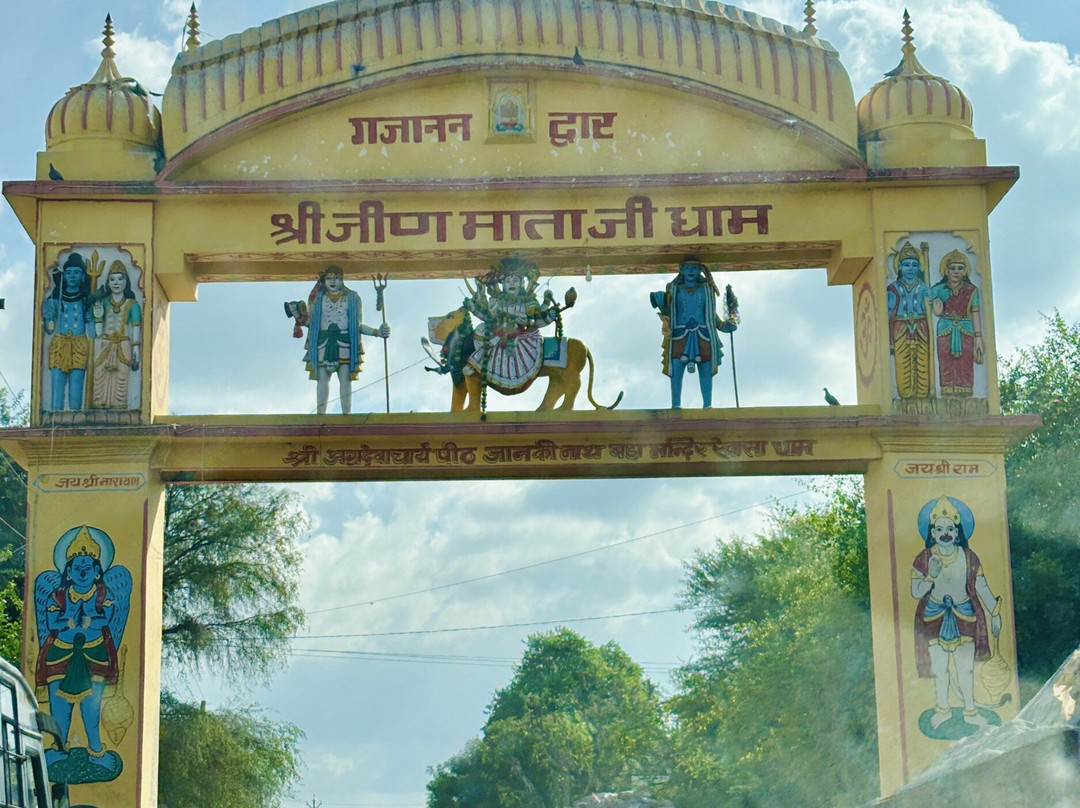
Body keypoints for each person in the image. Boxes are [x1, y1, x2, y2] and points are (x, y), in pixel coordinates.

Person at [34, 526, 130, 773]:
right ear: (68, 571)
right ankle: (58, 749)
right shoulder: (58, 594)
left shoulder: (103, 593)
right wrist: (81, 621)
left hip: (93, 654)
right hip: (60, 653)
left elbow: (105, 619)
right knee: (59, 707)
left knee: (91, 708)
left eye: (88, 567)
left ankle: (96, 751)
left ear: (98, 571)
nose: (83, 572)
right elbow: (51, 622)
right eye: (77, 568)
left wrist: (78, 621)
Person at [911, 496, 1002, 730]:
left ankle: (971, 711)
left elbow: (981, 587)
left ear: (957, 531)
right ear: (932, 532)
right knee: (940, 669)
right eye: (939, 529)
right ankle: (943, 710)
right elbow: (915, 591)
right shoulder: (923, 559)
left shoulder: (969, 557)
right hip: (934, 616)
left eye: (950, 528)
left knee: (966, 668)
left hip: (965, 614)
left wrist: (995, 612)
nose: (945, 533)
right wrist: (930, 575)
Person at [296, 266, 390, 414]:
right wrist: (299, 317)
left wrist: (377, 332)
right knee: (322, 380)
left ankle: (346, 414)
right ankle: (321, 415)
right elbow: (312, 324)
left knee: (345, 379)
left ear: (342, 280)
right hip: (322, 342)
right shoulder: (318, 299)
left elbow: (357, 325)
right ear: (324, 281)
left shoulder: (352, 298)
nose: (332, 281)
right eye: (329, 278)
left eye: (336, 278)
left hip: (345, 341)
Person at [649, 255, 737, 408]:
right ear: (681, 270)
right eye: (688, 268)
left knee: (706, 370)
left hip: (703, 334)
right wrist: (661, 304)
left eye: (694, 268)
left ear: (700, 271)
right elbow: (669, 311)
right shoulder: (674, 289)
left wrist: (723, 325)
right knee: (676, 370)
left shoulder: (706, 289)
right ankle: (675, 405)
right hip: (679, 334)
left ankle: (707, 405)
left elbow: (710, 313)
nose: (691, 271)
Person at [463, 256, 560, 392]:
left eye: (515, 280)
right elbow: (487, 317)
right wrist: (472, 307)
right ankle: (475, 364)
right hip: (499, 337)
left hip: (522, 339)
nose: (511, 283)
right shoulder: (496, 301)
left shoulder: (528, 302)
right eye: (507, 280)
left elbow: (536, 321)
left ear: (521, 283)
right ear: (502, 284)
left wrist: (548, 318)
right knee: (484, 330)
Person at [41, 253, 95, 411]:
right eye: (69, 272)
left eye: (77, 272)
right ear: (64, 276)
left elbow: (92, 331)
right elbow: (50, 327)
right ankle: (55, 415)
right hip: (60, 341)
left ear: (83, 276)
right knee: (57, 378)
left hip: (79, 342)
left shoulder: (86, 299)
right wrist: (49, 313)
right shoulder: (57, 297)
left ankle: (75, 414)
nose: (72, 276)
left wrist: (92, 318)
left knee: (77, 379)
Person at [931, 250, 984, 397]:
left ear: (966, 271)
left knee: (965, 360)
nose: (956, 272)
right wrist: (936, 303)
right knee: (946, 359)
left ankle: (965, 390)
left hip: (965, 328)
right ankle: (947, 389)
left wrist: (978, 337)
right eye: (952, 268)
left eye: (960, 268)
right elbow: (937, 311)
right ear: (946, 271)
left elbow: (975, 312)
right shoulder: (937, 289)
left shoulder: (972, 291)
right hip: (946, 327)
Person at [89, 261, 141, 410]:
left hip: (123, 344)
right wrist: (98, 317)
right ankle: (99, 403)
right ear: (108, 282)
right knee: (100, 374)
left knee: (122, 375)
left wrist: (136, 347)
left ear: (126, 281)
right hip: (104, 343)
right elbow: (98, 333)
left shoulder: (133, 304)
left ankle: (119, 405)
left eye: (120, 279)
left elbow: (135, 327)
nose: (116, 283)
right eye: (112, 279)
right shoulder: (103, 302)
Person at [887, 242, 933, 399]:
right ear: (899, 267)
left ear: (919, 267)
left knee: (922, 361)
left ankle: (922, 395)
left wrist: (931, 299)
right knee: (903, 361)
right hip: (900, 326)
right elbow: (888, 311)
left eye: (914, 265)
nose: (911, 268)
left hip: (921, 325)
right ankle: (906, 396)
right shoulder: (893, 288)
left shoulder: (924, 287)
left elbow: (933, 305)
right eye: (906, 265)